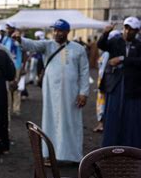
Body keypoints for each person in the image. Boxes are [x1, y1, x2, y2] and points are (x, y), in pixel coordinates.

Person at [13, 19, 89, 163]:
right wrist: (19, 39)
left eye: (60, 30)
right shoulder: (47, 45)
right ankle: (50, 155)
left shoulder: (78, 49)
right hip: (51, 94)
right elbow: (32, 45)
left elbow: (84, 72)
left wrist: (83, 93)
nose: (56, 33)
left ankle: (73, 156)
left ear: (67, 32)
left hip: (71, 94)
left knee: (71, 123)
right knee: (51, 122)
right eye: (54, 30)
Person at [98, 17, 141, 148]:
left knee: (131, 119)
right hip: (115, 85)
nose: (127, 31)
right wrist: (105, 33)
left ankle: (131, 149)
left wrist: (122, 59)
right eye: (126, 28)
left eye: (131, 29)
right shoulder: (116, 41)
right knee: (113, 117)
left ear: (136, 31)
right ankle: (110, 147)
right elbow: (101, 45)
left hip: (133, 88)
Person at [2, 21, 24, 115]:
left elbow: (24, 51)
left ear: (13, 29)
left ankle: (16, 109)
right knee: (7, 88)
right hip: (7, 66)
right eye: (7, 28)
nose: (7, 29)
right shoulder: (5, 39)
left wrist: (23, 66)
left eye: (9, 28)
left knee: (15, 88)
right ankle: (8, 108)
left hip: (16, 66)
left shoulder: (18, 39)